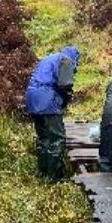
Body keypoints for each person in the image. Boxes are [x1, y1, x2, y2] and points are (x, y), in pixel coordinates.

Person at [24, 46, 80, 181]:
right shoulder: (67, 60)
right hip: (48, 100)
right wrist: (65, 101)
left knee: (43, 137)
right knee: (57, 138)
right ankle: (55, 176)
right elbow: (65, 85)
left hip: (32, 98)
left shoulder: (48, 58)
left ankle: (43, 172)